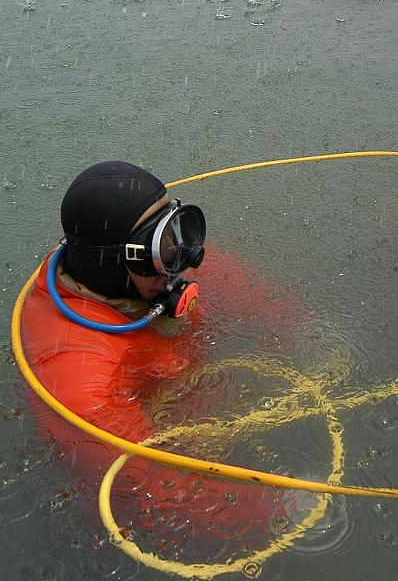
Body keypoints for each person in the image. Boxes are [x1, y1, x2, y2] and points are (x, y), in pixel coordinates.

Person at [20, 161, 309, 551]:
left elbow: (245, 288)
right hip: (128, 536)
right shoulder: (82, 379)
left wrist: (305, 333)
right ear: (116, 262)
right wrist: (282, 508)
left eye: (176, 227)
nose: (183, 253)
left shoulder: (147, 276)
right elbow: (163, 490)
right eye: (162, 245)